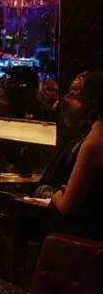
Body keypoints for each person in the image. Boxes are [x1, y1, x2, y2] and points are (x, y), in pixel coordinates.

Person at [51, 72, 103, 241]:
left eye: (78, 96)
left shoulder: (94, 141)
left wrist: (56, 195)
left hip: (82, 237)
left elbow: (67, 206)